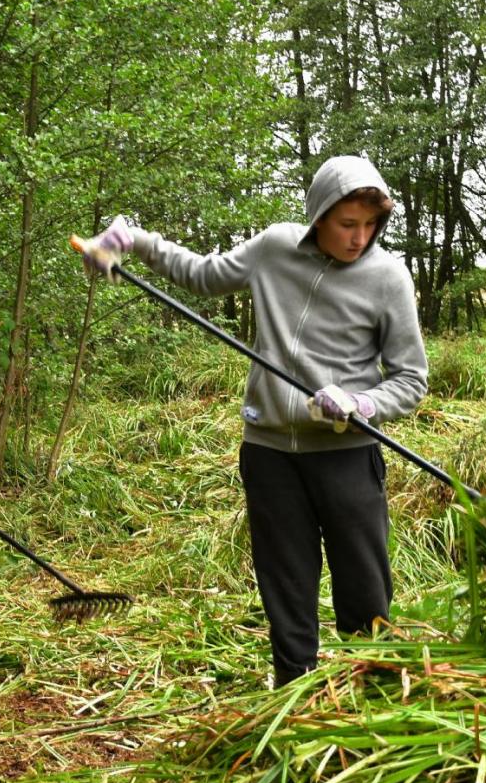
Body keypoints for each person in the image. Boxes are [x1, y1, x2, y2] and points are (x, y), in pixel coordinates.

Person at [79, 155, 427, 687]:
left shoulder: (388, 276)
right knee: (286, 582)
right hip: (269, 451)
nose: (360, 238)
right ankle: (294, 688)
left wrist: (361, 405)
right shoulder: (273, 249)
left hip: (345, 456)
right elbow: (202, 275)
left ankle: (378, 689)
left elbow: (410, 379)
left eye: (371, 225)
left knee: (364, 586)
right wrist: (135, 241)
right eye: (347, 224)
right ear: (318, 216)